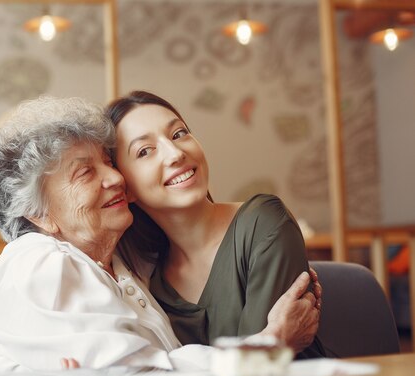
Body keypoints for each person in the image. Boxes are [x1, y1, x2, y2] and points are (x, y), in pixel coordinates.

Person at [0, 94, 321, 376]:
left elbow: (52, 339)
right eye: (86, 172)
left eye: (107, 162)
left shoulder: (127, 263)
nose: (113, 178)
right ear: (41, 215)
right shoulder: (43, 261)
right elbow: (140, 374)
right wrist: (271, 343)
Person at [107, 90, 324, 357]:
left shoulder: (263, 223)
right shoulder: (151, 286)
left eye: (178, 134)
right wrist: (276, 339)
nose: (175, 153)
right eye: (145, 151)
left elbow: (256, 374)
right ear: (124, 188)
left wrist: (268, 347)